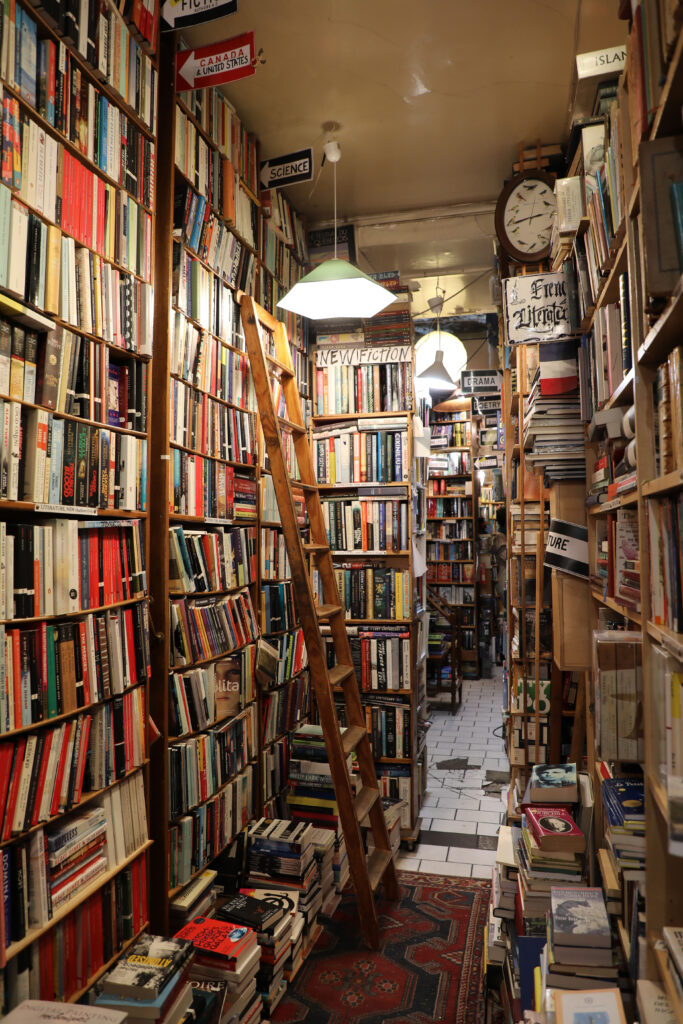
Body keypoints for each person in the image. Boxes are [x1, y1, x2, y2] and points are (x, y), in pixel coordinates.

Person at [491, 506, 506, 665]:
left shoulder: (501, 536)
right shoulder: (501, 536)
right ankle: (503, 651)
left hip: (505, 577)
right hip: (505, 578)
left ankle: (503, 650)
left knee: (506, 615)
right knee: (505, 616)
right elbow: (505, 555)